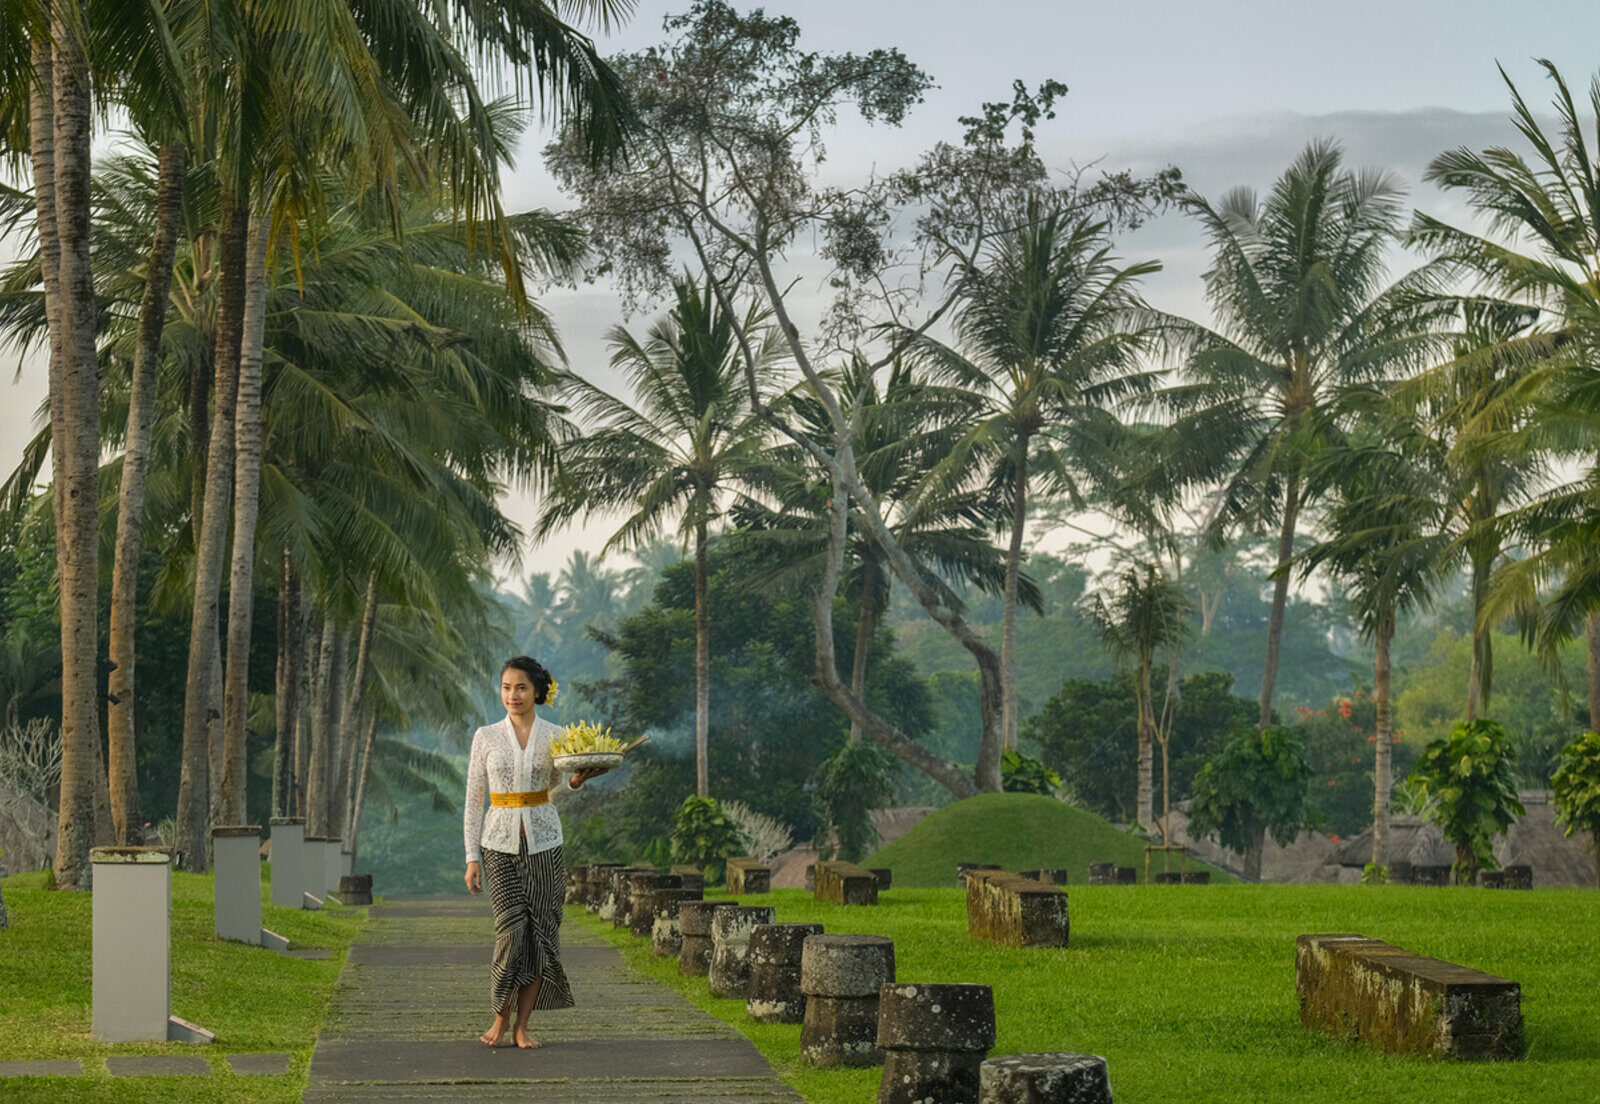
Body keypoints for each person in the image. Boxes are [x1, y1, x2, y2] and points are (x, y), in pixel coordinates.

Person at [463, 656, 605, 1048]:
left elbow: (551, 794)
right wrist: (471, 857)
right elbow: (475, 801)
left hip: (545, 844)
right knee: (510, 931)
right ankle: (499, 1018)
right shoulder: (485, 737)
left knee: (541, 933)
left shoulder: (557, 736)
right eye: (507, 687)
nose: (513, 695)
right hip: (498, 845)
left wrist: (574, 783)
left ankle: (523, 1026)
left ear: (537, 691)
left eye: (521, 687)